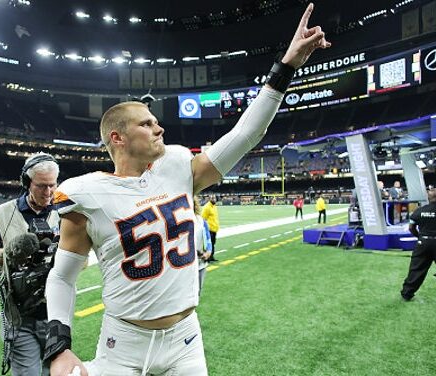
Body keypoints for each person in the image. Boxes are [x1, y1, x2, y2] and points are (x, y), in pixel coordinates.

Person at [45, 4, 330, 375]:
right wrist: (58, 346)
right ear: (118, 137)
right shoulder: (86, 193)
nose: (159, 128)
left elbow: (246, 135)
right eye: (147, 124)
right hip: (123, 343)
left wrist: (286, 67)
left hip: (185, 341)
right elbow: (63, 276)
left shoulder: (179, 166)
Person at [0, 153, 60, 376]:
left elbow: (81, 263)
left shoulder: (66, 212)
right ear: (26, 183)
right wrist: (10, 252)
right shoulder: (3, 213)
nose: (48, 192)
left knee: (53, 372)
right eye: (41, 186)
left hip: (55, 312)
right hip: (18, 313)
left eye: (52, 185)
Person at [194, 197, 212, 297]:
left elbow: (208, 239)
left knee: (198, 291)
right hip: (185, 266)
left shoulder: (201, 221)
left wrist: (208, 251)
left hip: (200, 263)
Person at [201, 196, 220, 261]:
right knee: (208, 244)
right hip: (209, 229)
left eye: (214, 198)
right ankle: (207, 258)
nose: (214, 199)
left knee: (213, 244)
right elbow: (203, 218)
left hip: (214, 229)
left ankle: (211, 257)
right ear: (209, 199)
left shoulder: (214, 206)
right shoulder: (206, 207)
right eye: (212, 198)